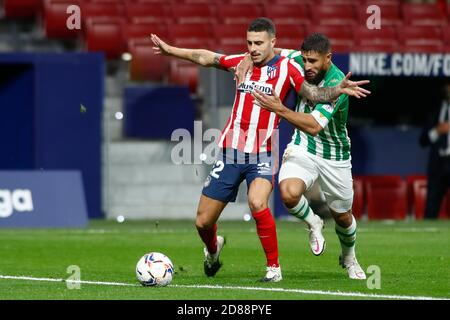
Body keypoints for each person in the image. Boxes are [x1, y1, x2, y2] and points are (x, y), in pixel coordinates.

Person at [151, 18, 370, 282]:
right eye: (249, 43)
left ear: (273, 43)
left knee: (257, 202)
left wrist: (336, 90)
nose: (253, 48)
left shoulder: (289, 67)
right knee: (203, 222)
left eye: (258, 43)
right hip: (231, 150)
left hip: (264, 151)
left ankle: (274, 269)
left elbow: (312, 94)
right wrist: (170, 51)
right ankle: (212, 250)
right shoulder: (241, 63)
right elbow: (206, 57)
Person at [241, 33, 367, 280]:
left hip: (334, 153)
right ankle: (314, 222)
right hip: (304, 146)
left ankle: (350, 257)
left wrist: (280, 109)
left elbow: (313, 125)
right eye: (305, 60)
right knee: (288, 192)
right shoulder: (296, 59)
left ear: (328, 58)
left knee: (342, 215)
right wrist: (248, 58)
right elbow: (269, 51)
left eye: (313, 62)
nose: (307, 66)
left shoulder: (338, 82)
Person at [419, 81, 450, 219]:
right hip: (438, 165)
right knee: (431, 207)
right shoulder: (435, 111)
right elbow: (423, 140)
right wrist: (437, 131)